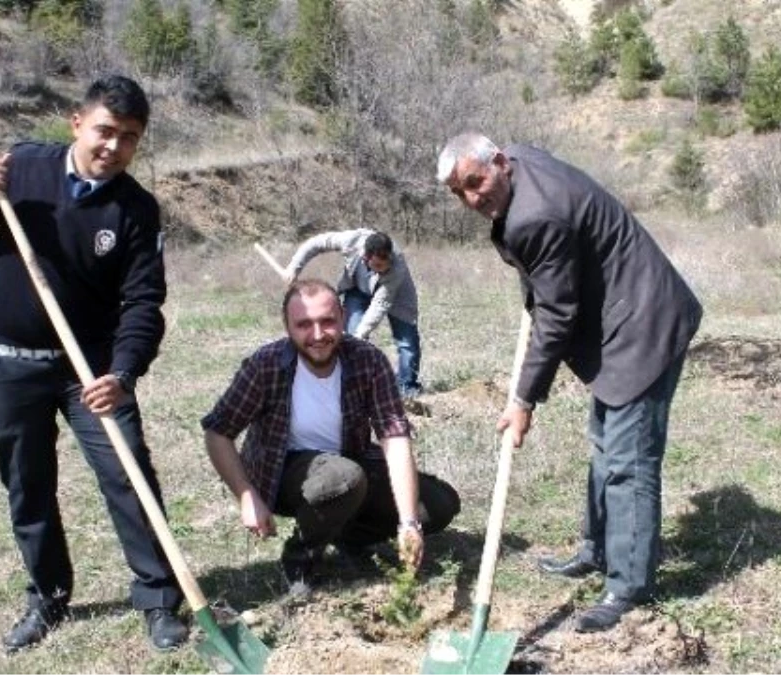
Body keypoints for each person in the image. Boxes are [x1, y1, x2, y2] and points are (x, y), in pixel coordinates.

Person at [0, 75, 187, 653]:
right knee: (27, 484)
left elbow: (144, 303)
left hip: (92, 372)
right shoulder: (24, 166)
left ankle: (158, 599)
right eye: (105, 131)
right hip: (7, 362)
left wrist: (122, 374)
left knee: (129, 475)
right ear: (76, 122)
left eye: (129, 138)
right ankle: (48, 595)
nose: (113, 147)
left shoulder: (136, 210)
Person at [436, 133, 702, 632]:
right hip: (619, 317)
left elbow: (556, 319)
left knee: (628, 460)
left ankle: (629, 586)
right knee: (606, 444)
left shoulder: (538, 214)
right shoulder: (519, 164)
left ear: (499, 162)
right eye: (460, 192)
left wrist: (523, 400)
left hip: (644, 324)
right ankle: (597, 550)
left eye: (477, 182)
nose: (473, 198)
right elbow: (544, 280)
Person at [200, 279, 460, 596]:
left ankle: (345, 534)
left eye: (327, 321)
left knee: (438, 505)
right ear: (287, 326)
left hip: (350, 466)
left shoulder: (367, 360)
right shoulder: (266, 365)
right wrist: (245, 495)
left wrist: (408, 523)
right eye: (304, 324)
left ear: (342, 316)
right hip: (283, 473)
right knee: (343, 476)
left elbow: (394, 438)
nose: (318, 335)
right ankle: (301, 557)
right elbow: (218, 431)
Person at [281, 229, 423, 398]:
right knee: (352, 336)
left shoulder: (396, 266)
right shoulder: (351, 241)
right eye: (377, 266)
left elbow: (380, 304)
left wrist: (361, 334)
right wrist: (294, 268)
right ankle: (359, 385)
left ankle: (407, 388)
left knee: (406, 341)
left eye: (385, 267)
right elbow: (316, 244)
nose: (381, 271)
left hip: (397, 295)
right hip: (357, 288)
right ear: (366, 257)